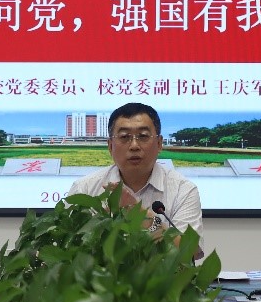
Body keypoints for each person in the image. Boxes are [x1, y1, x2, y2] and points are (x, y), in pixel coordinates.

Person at [66, 103, 203, 255]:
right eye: (124, 137)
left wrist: (144, 218)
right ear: (110, 146)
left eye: (143, 136)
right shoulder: (84, 188)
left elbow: (191, 252)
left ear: (159, 144)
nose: (134, 146)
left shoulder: (183, 190)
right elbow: (65, 247)